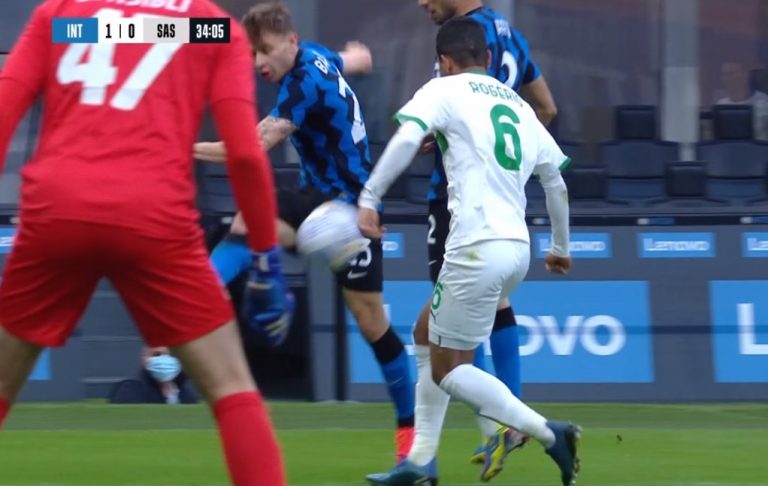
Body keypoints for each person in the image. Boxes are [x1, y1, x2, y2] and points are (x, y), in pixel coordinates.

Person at [0, 0, 292, 484]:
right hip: (153, 214)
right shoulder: (208, 27)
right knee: (232, 390)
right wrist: (265, 255)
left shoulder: (62, 16)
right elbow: (244, 153)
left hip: (57, 207)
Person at [193, 1, 416, 461]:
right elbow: (345, 60)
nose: (258, 62)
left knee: (372, 325)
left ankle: (410, 438)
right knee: (374, 325)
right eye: (252, 53)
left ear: (290, 42)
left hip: (344, 212)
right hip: (341, 206)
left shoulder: (301, 82)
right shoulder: (315, 55)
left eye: (266, 50)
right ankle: (411, 438)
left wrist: (183, 146)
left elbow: (250, 148)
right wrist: (358, 59)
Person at [360, 18, 580, 486]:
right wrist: (560, 247)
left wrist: (369, 196)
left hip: (475, 245)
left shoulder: (444, 89)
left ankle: (547, 432)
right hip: (517, 249)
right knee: (425, 331)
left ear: (444, 61)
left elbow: (405, 139)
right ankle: (419, 463)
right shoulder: (517, 104)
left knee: (448, 370)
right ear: (488, 57)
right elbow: (556, 183)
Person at [409, 0, 560, 477]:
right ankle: (499, 425)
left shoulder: (466, 37)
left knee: (445, 331)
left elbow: (454, 113)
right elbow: (547, 108)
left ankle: (501, 426)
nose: (422, 3)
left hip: (458, 199)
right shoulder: (510, 35)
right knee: (489, 307)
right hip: (504, 202)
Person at [108, 347, 199, 405]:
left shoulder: (188, 395)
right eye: (156, 355)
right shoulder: (129, 392)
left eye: (171, 355)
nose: (164, 359)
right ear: (144, 359)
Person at [716, 61, 768, 140]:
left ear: (745, 75)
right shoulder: (721, 105)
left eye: (731, 74)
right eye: (724, 75)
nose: (726, 79)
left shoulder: (765, 102)